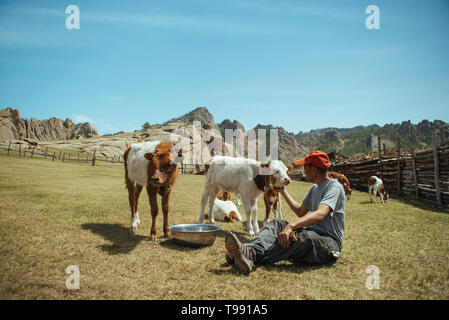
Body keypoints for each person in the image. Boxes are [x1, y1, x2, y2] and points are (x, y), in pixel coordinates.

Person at [224, 151, 345, 274]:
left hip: (329, 243)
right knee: (277, 223)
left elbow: (321, 213)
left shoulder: (334, 187)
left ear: (314, 170)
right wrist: (283, 191)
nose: (303, 169)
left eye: (305, 167)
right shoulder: (315, 188)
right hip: (313, 235)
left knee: (301, 237)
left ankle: (252, 255)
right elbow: (300, 211)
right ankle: (245, 249)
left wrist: (291, 226)